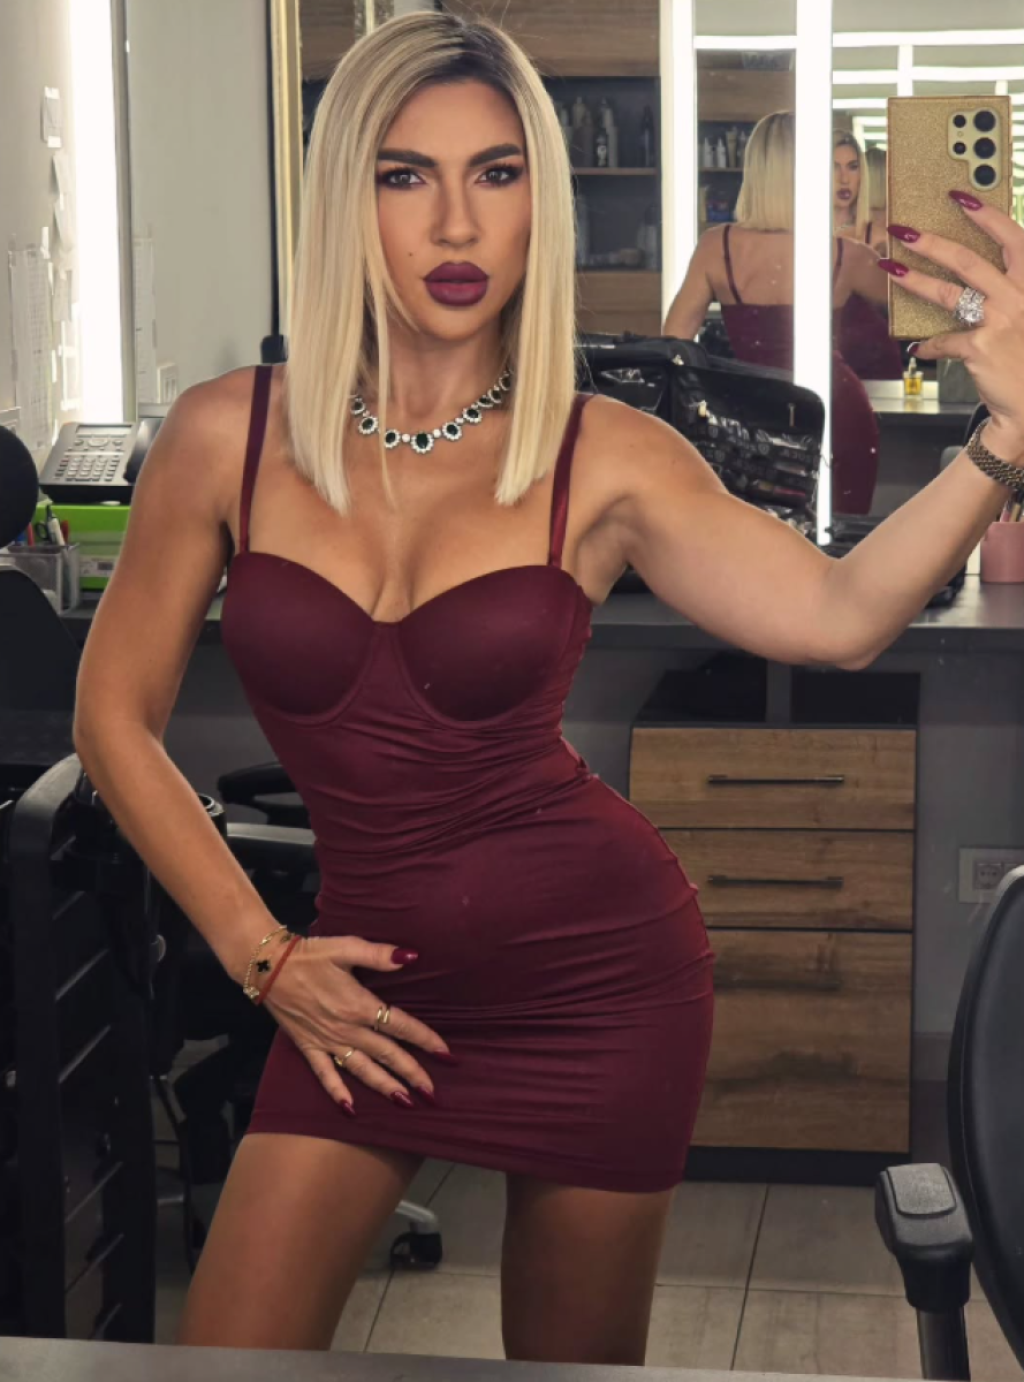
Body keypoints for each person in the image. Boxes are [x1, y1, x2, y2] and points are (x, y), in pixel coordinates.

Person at [73, 10, 1024, 1360]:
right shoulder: (223, 435)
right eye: (407, 174)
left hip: (599, 989)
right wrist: (259, 951)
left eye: (498, 172)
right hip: (352, 998)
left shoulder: (603, 452)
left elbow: (839, 616)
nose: (457, 223)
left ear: (541, 203)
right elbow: (111, 716)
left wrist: (1005, 433)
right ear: (347, 197)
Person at [664, 111, 890, 512]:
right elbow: (924, 313)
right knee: (837, 541)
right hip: (834, 410)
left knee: (759, 540)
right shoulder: (845, 254)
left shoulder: (716, 246)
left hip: (748, 417)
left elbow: (672, 347)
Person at [834, 133, 904, 380]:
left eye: (853, 169)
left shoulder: (878, 237)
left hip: (870, 349)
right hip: (855, 348)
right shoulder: (849, 235)